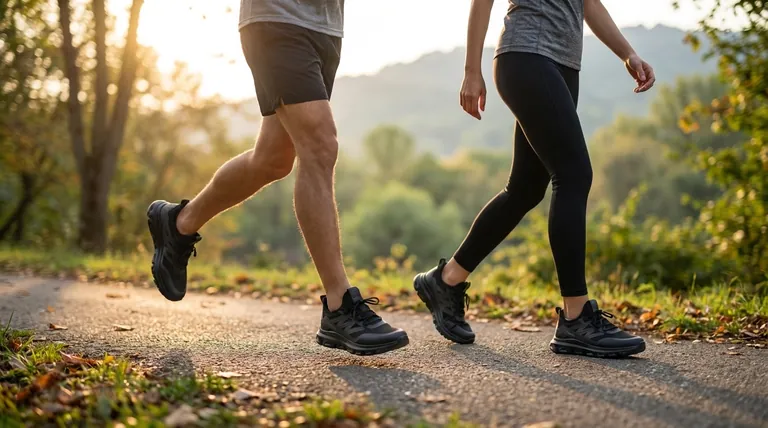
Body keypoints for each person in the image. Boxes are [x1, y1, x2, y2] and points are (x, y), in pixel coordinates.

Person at [146, 0, 409, 356]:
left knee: (273, 159)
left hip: (326, 26)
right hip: (277, 18)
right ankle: (339, 304)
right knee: (319, 146)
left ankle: (179, 223)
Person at [414, 0, 655, 357]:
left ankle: (447, 279)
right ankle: (576, 317)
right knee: (573, 175)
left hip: (563, 66)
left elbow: (587, 3)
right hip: (527, 56)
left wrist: (628, 54)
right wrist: (471, 70)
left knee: (525, 189)